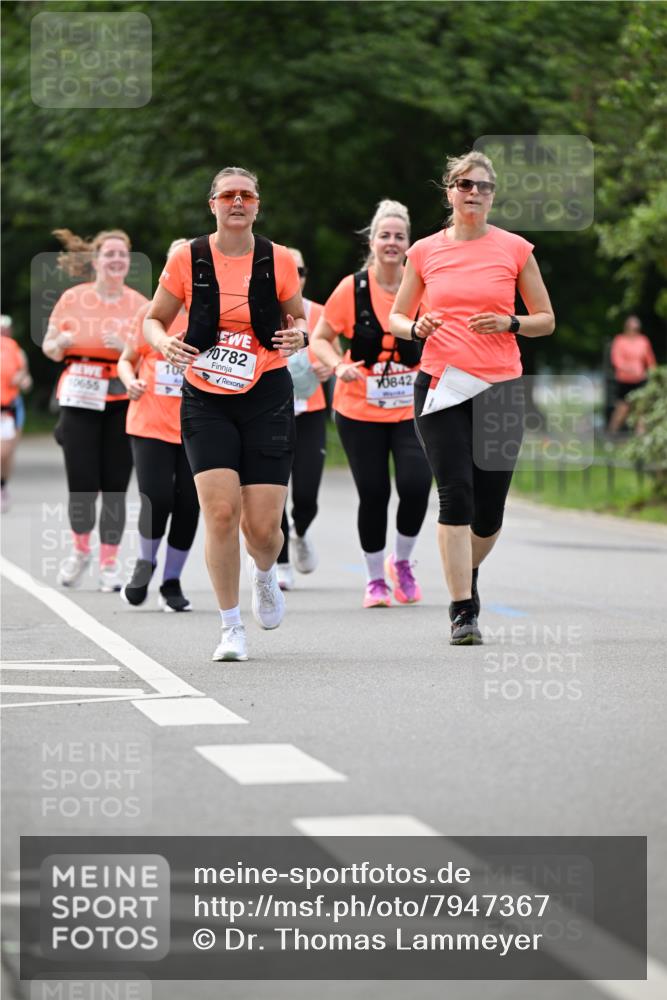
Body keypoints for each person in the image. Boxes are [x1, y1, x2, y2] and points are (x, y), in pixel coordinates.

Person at [390, 151, 555, 645]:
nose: (474, 193)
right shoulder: (424, 251)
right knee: (455, 494)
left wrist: (510, 323)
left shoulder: (515, 249)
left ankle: (464, 570)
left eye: (483, 186)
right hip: (441, 383)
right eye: (465, 185)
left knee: (489, 512)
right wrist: (415, 326)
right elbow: (397, 317)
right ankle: (463, 609)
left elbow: (545, 319)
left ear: (492, 195)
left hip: (500, 387)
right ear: (449, 191)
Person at [143, 166, 307, 662]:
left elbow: (297, 316)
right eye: (228, 195)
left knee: (262, 529)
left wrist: (298, 334)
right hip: (205, 394)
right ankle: (230, 626)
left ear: (258, 204)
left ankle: (264, 574)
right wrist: (164, 342)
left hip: (266, 392)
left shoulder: (277, 259)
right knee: (219, 512)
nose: (238, 202)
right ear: (212, 203)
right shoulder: (186, 257)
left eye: (247, 195)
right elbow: (153, 319)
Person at [312, 200, 432, 608]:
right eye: (385, 235)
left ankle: (402, 562)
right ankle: (374, 578)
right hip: (358, 408)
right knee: (375, 492)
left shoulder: (423, 288)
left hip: (409, 406)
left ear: (409, 243)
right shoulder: (352, 288)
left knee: (416, 485)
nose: (392, 242)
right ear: (372, 240)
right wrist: (335, 366)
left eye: (400, 236)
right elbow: (322, 337)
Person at [42, 229, 147, 590]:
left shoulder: (138, 304)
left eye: (122, 254)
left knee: (115, 485)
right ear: (96, 260)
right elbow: (50, 348)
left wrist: (125, 347)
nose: (116, 260)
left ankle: (109, 563)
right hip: (79, 397)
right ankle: (80, 550)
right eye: (109, 254)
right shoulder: (74, 298)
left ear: (128, 261)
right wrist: (60, 341)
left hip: (121, 399)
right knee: (82, 483)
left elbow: (150, 353)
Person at [117, 239, 200, 612]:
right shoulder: (151, 314)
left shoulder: (210, 315)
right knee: (158, 498)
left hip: (197, 425)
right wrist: (129, 380)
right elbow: (126, 359)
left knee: (189, 504)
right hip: (150, 422)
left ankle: (171, 580)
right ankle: (145, 562)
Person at [277, 247, 335, 590]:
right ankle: (282, 561)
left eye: (300, 271)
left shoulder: (320, 312)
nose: (295, 276)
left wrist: (328, 366)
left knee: (308, 493)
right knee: (274, 490)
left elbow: (334, 351)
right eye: (290, 271)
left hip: (310, 410)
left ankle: (300, 530)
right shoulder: (266, 309)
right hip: (271, 411)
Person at [1, 315, 33, 512]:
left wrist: (22, 379)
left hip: (9, 408)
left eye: (6, 328)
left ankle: (2, 485)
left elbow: (26, 379)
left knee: (6, 452)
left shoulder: (15, 350)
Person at [607, 315, 656, 434]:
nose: (634, 331)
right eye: (631, 328)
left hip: (640, 380)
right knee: (622, 409)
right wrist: (629, 369)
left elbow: (650, 361)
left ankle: (641, 439)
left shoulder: (643, 341)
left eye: (636, 329)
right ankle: (612, 435)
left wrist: (654, 374)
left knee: (641, 410)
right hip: (624, 380)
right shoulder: (620, 340)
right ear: (626, 328)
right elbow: (616, 360)